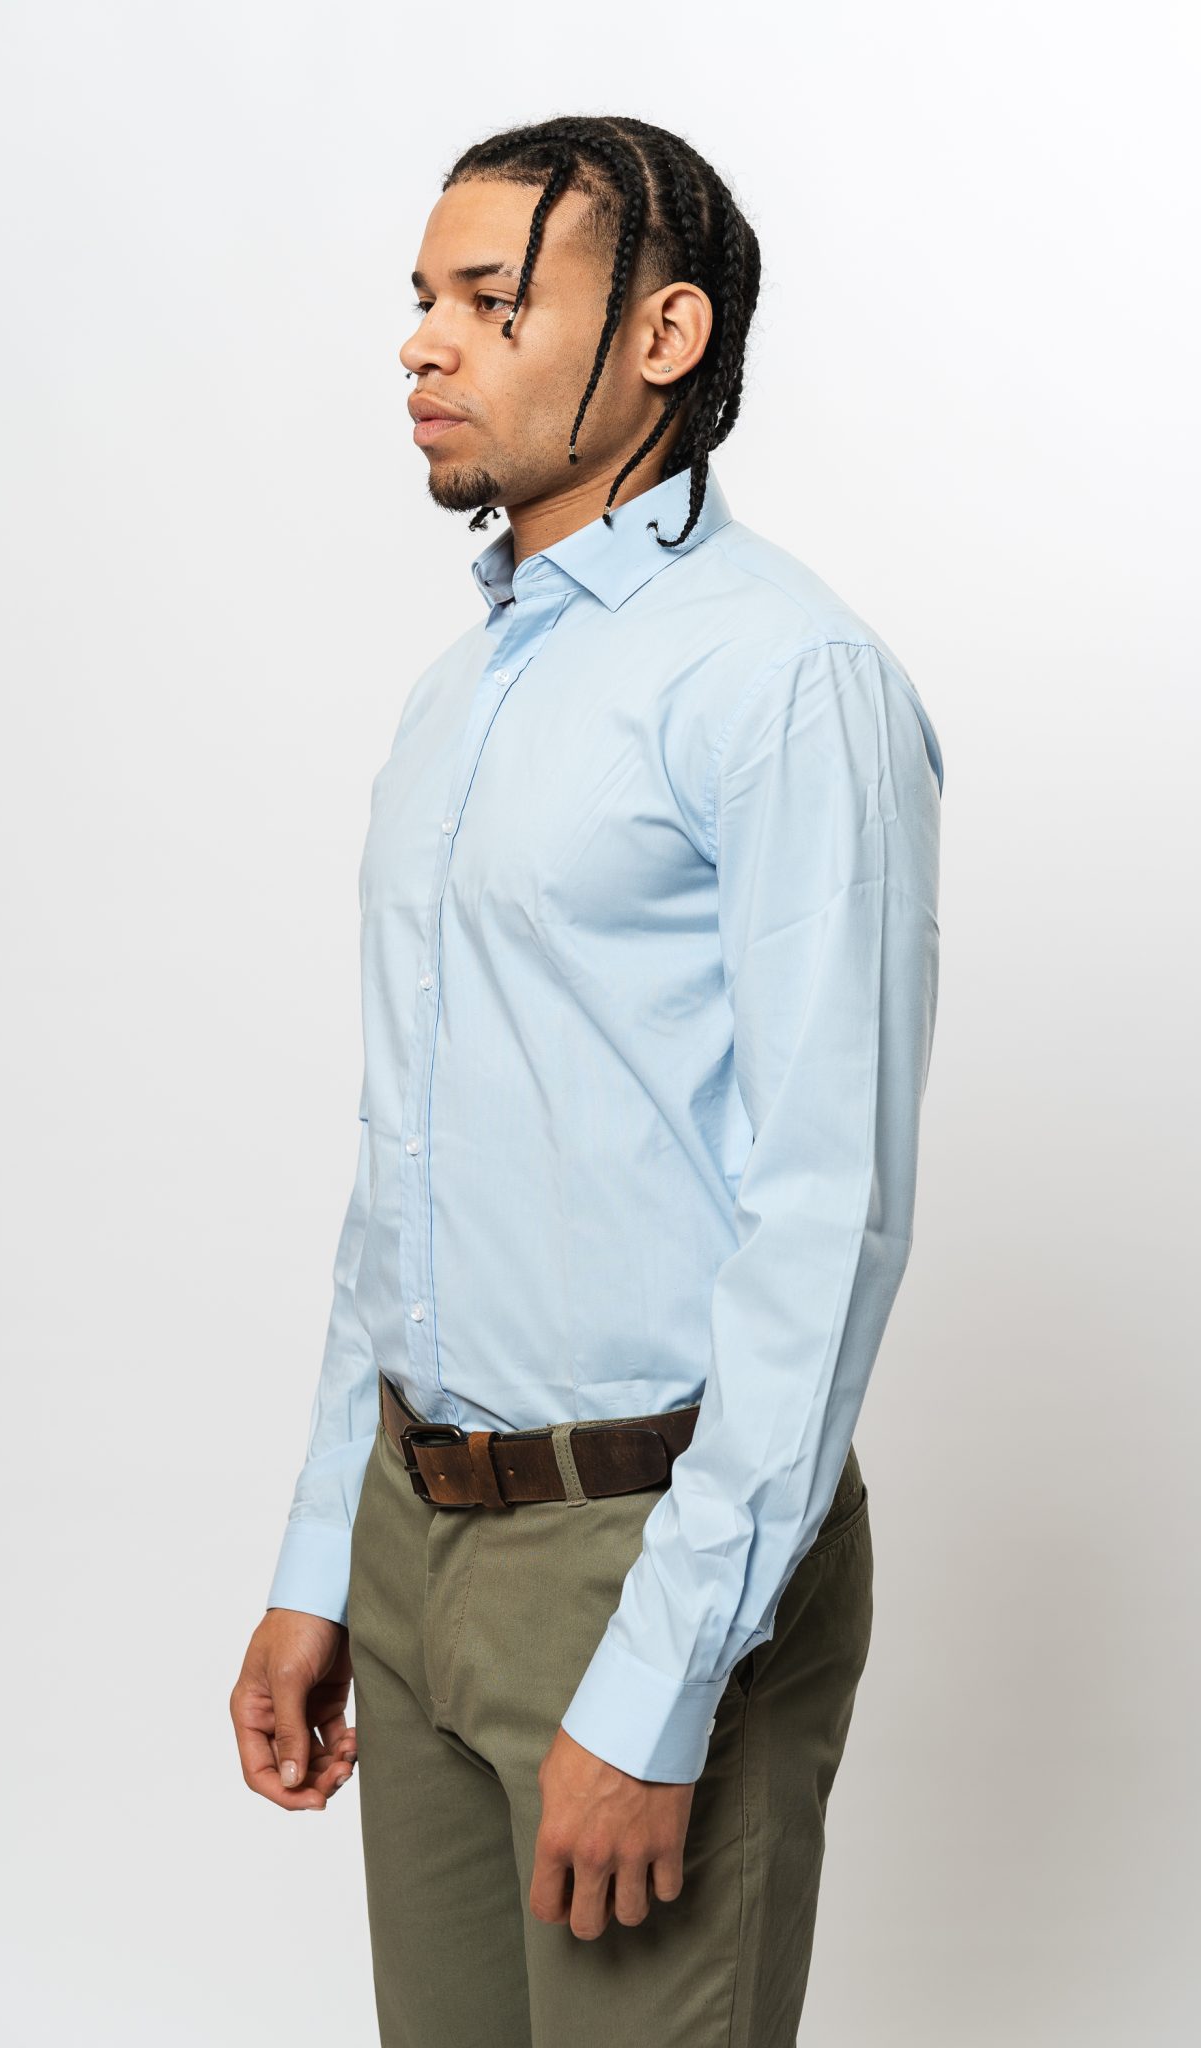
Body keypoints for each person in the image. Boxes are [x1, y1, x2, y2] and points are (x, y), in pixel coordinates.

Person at [230, 113, 943, 2048]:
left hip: (648, 1552)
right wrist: (322, 1559)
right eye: (421, 299)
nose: (422, 344)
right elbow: (405, 1168)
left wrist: (662, 1679)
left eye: (490, 300)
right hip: (410, 1536)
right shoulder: (458, 696)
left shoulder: (785, 680)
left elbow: (830, 1215)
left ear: (661, 334)